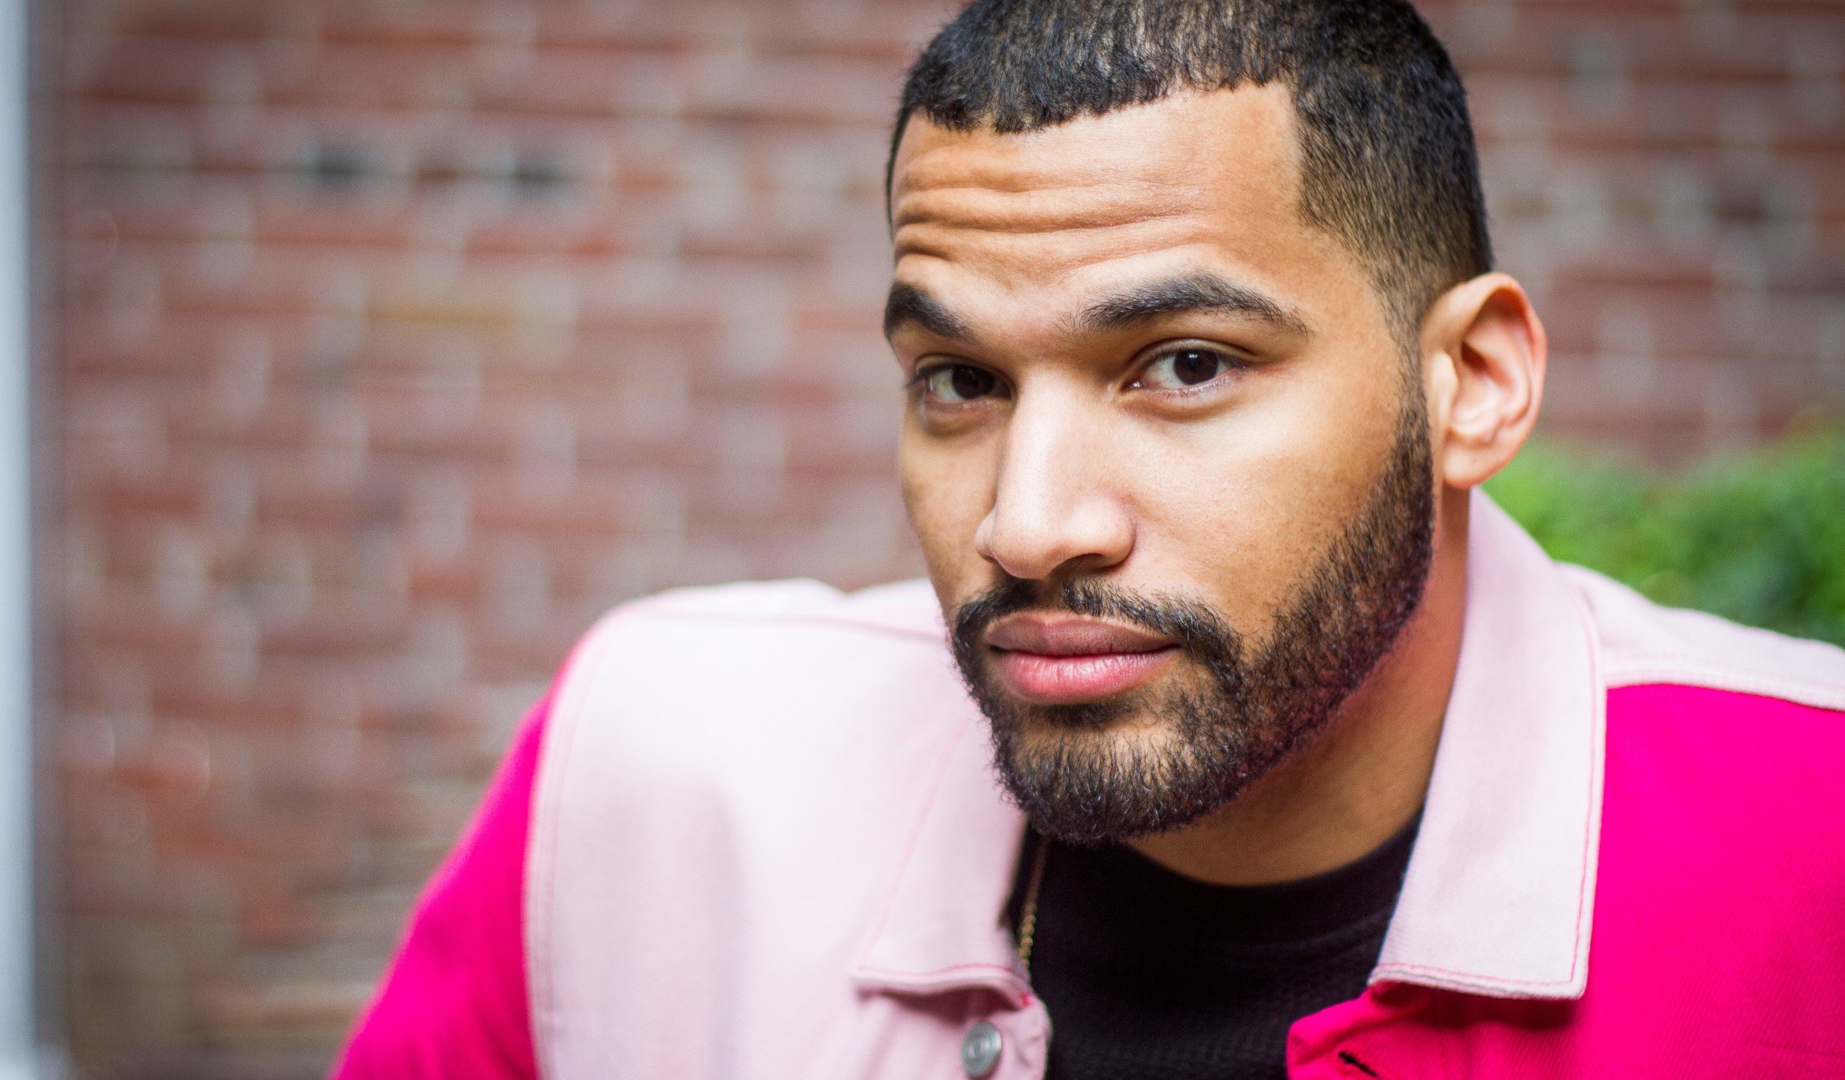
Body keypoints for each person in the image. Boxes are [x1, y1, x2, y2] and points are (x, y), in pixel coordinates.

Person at [334, 1, 1845, 1077]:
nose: (1030, 524)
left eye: (1184, 365)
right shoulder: (647, 782)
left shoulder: (1809, 849)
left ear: (1472, 383)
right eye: (959, 381)